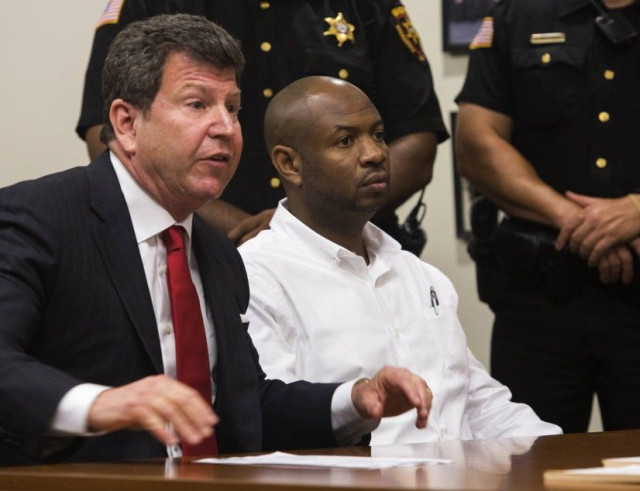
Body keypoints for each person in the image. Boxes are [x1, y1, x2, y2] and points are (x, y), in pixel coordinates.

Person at [0, 14, 433, 466]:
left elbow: (242, 411)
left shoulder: (221, 255)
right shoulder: (38, 219)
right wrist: (98, 404)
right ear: (126, 123)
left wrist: (355, 398)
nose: (225, 126)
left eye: (232, 107)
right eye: (197, 105)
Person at [455, 0, 640, 433]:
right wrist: (573, 218)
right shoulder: (518, 13)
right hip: (539, 304)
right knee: (528, 471)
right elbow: (476, 142)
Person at [238, 76, 561, 445]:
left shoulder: (418, 274)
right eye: (346, 141)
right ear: (289, 164)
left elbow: (476, 403)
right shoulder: (255, 276)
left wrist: (565, 458)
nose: (375, 153)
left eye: (378, 134)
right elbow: (272, 418)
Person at [76, 0, 449, 251]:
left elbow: (416, 141)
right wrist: (243, 232)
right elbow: (109, 136)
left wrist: (308, 227)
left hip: (351, 251)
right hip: (194, 249)